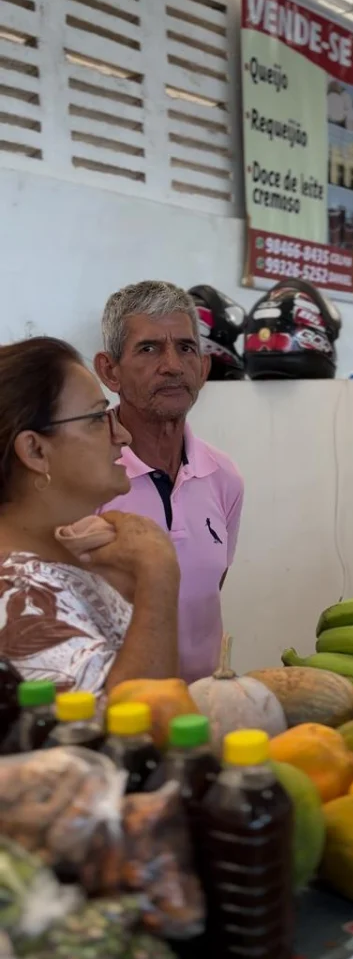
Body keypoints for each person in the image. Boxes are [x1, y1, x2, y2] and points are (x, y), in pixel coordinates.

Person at [0, 338, 180, 694]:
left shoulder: (73, 555)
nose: (123, 435)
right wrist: (158, 574)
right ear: (35, 450)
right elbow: (129, 721)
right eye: (97, 418)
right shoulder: (14, 593)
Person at [95, 281, 244, 684]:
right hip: (111, 709)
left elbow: (205, 592)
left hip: (200, 707)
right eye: (148, 349)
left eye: (185, 348)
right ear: (109, 371)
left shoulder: (224, 476)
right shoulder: (82, 474)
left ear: (204, 368)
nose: (173, 366)